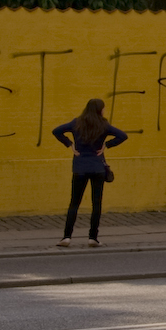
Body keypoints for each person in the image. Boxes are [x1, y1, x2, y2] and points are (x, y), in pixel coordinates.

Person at [52, 98, 127, 248]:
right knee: (96, 204)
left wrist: (70, 144)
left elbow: (56, 131)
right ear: (100, 110)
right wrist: (107, 145)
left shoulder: (76, 123)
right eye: (104, 108)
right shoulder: (103, 125)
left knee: (74, 203)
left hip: (80, 168)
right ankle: (93, 237)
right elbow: (123, 136)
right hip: (98, 168)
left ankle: (67, 237)